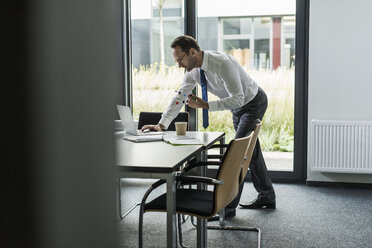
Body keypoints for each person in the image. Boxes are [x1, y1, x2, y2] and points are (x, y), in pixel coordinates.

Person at [141, 35, 276, 221]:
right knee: (250, 150)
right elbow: (180, 96)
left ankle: (227, 208)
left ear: (193, 52)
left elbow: (237, 98)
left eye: (181, 59)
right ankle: (267, 195)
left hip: (252, 102)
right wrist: (162, 124)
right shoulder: (192, 71)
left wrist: (206, 106)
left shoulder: (222, 64)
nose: (179, 64)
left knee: (238, 153)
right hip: (237, 107)